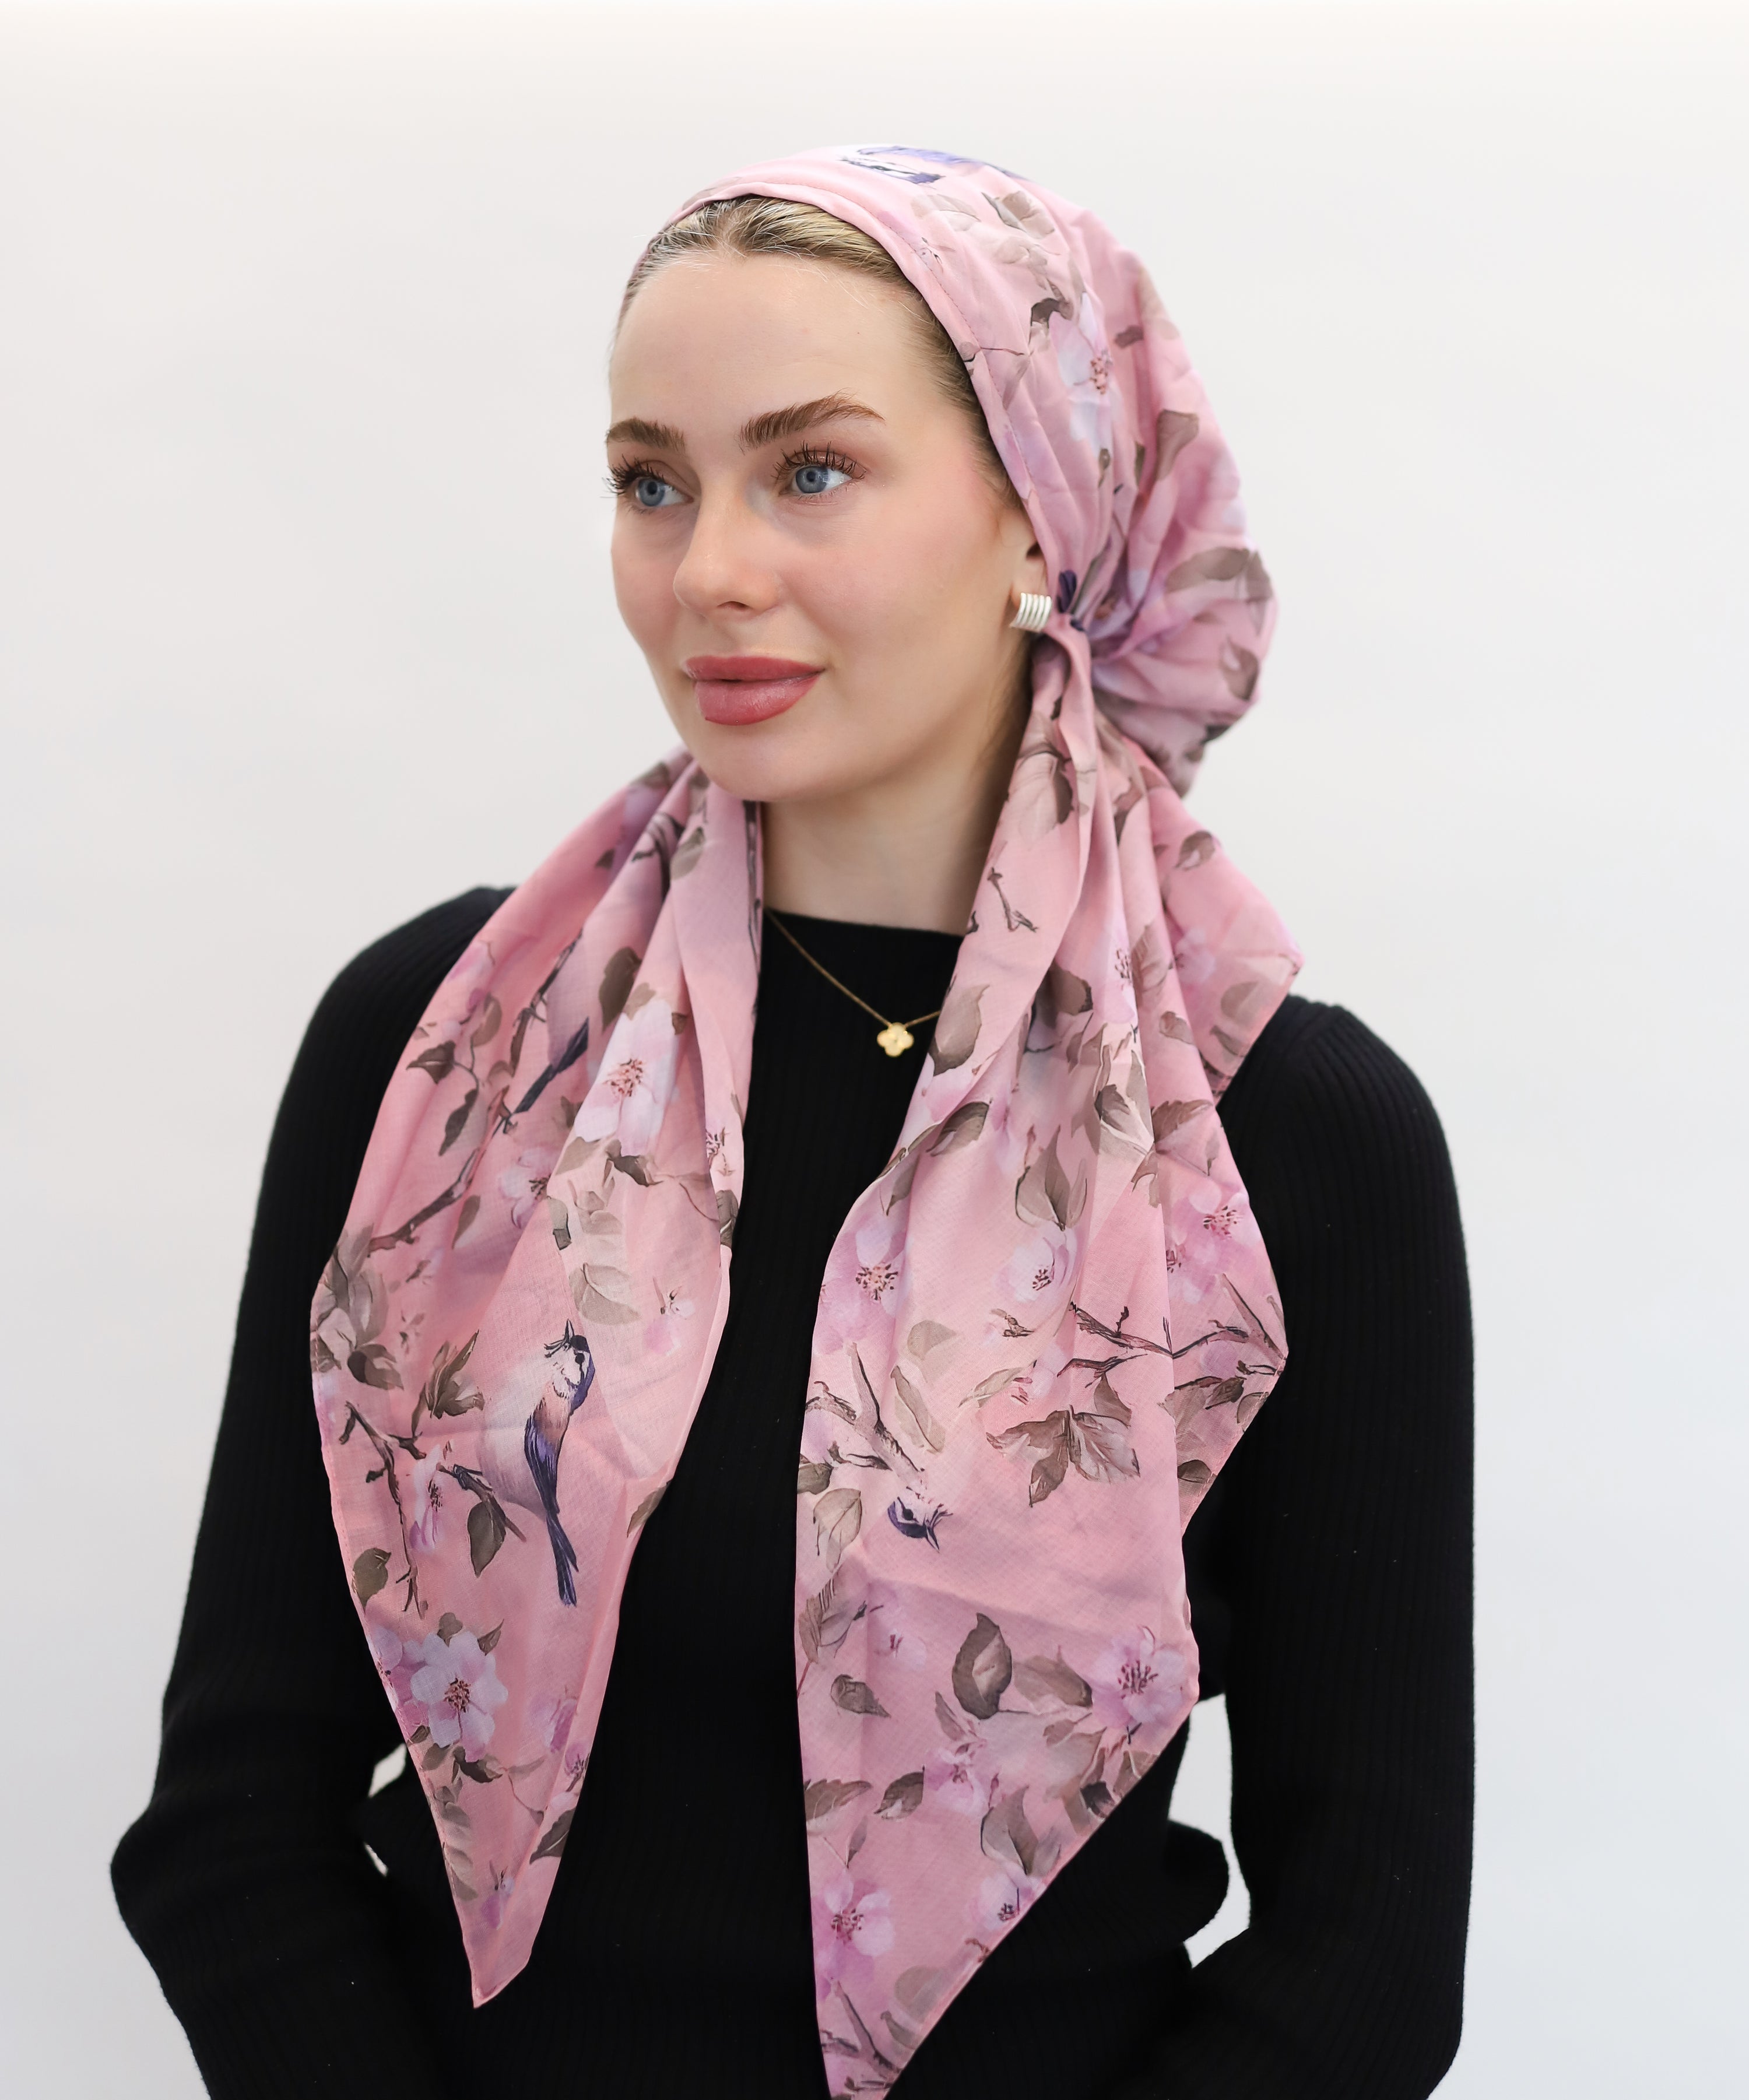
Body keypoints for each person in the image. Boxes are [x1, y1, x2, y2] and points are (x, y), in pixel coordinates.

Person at [114, 148, 1473, 2098]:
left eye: (812, 470)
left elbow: (1364, 1962)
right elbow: (234, 1820)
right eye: (651, 480)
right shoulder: (449, 1050)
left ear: (1039, 511)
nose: (709, 571)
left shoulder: (1287, 1139)